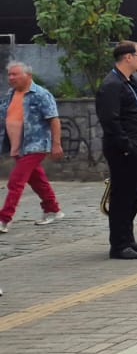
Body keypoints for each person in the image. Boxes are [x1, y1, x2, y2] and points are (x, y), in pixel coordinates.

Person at [94, 41, 137, 258]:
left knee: (133, 195)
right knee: (122, 197)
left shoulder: (129, 82)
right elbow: (110, 121)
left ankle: (128, 239)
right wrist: (127, 147)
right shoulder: (112, 85)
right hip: (125, 150)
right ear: (128, 57)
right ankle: (119, 245)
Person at [1, 61, 64, 233]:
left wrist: (56, 144)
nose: (11, 78)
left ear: (28, 76)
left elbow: (54, 119)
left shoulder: (41, 94)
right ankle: (53, 209)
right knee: (37, 180)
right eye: (10, 75)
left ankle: (4, 218)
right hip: (17, 146)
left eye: (15, 74)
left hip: (35, 145)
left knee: (16, 181)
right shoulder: (10, 95)